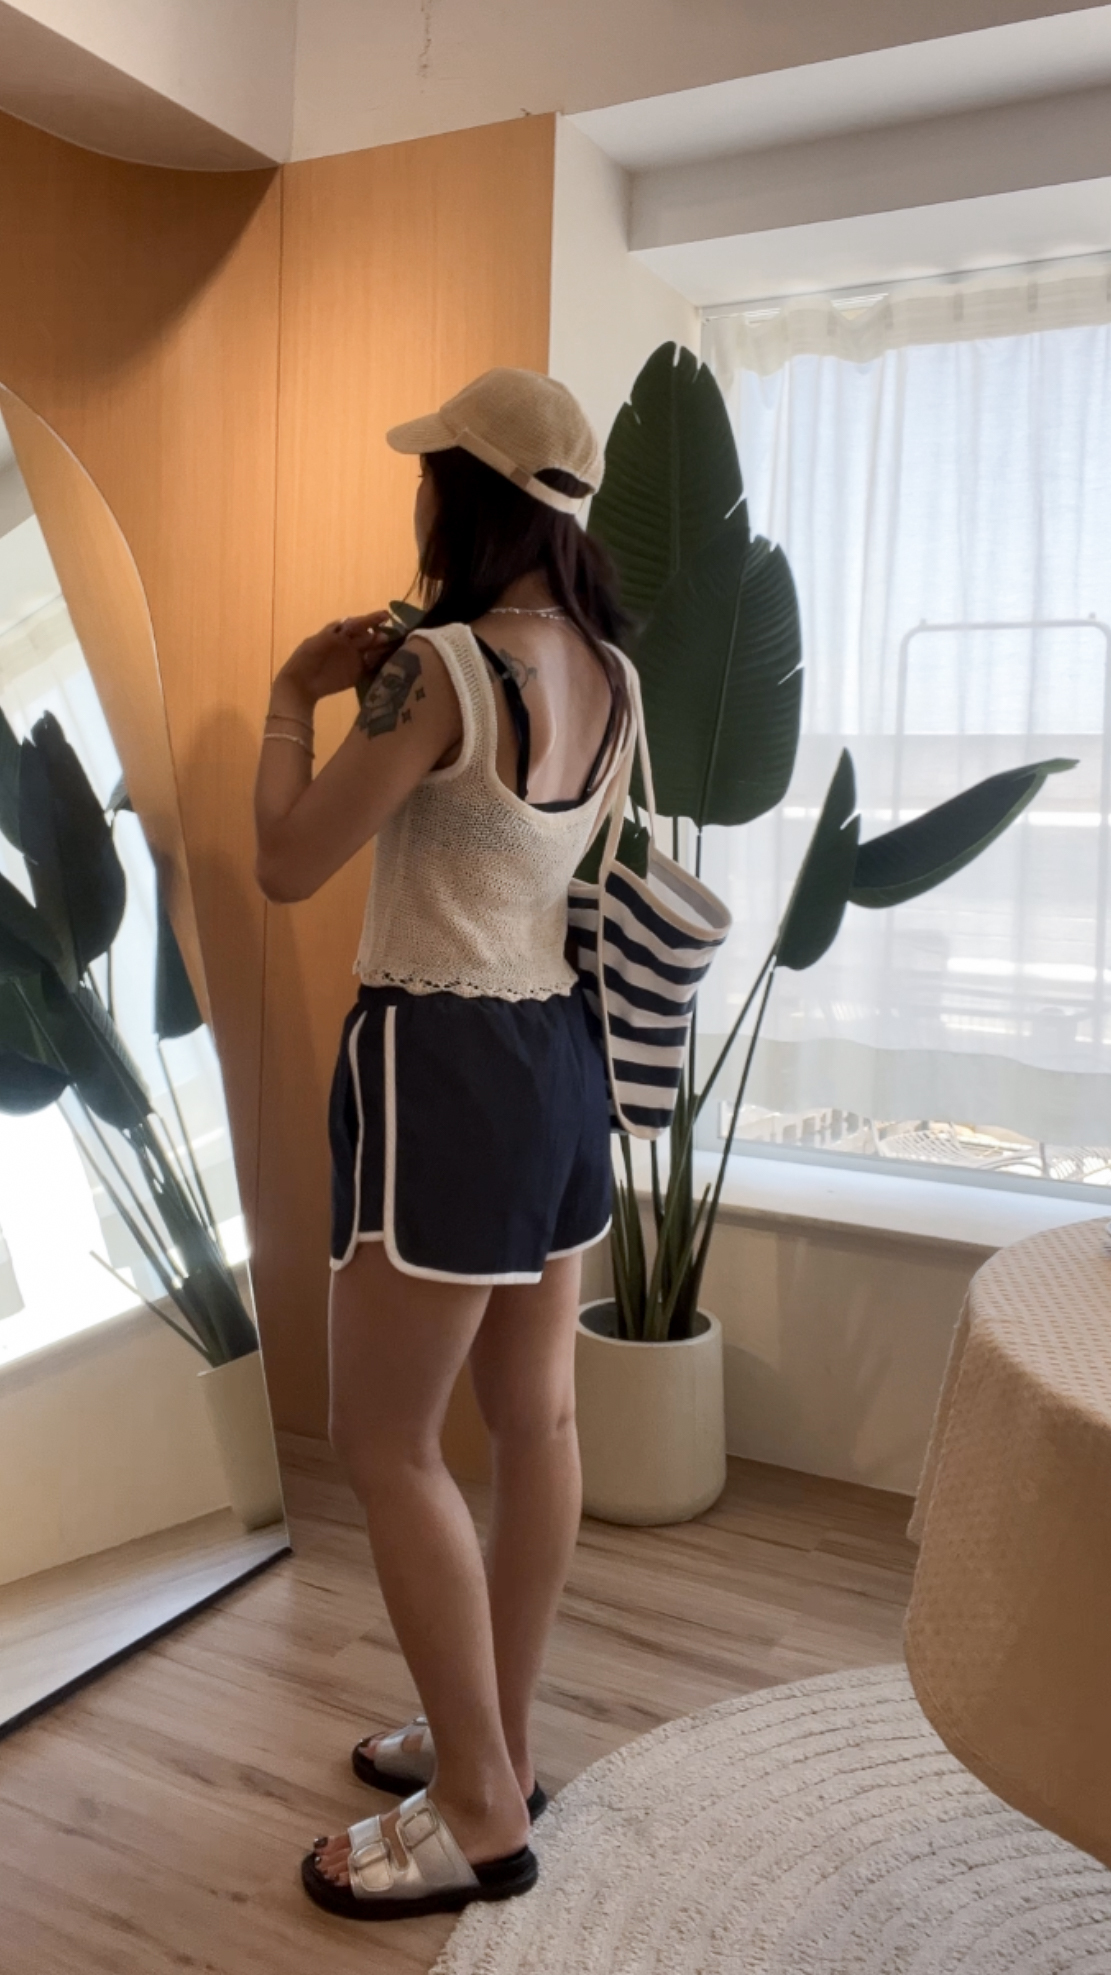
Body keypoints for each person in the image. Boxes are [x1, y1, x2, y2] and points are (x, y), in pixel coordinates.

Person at [253, 369, 634, 1924]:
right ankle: (497, 1744)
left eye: (430, 472)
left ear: (466, 494)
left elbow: (287, 860)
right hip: (557, 1060)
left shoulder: (444, 670)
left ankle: (476, 1808)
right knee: (535, 1424)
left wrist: (292, 697)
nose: (415, 493)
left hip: (442, 1065)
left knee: (386, 1440)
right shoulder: (613, 672)